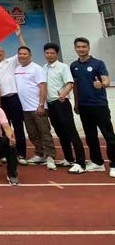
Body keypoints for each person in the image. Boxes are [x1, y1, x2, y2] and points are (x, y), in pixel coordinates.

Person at [71, 37, 115, 178]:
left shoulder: (98, 63)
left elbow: (106, 80)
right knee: (90, 137)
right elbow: (75, 86)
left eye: (84, 46)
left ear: (88, 48)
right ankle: (97, 162)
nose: (81, 49)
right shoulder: (73, 66)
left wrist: (102, 84)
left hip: (99, 106)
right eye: (78, 47)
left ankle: (114, 164)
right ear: (75, 48)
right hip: (84, 107)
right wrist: (76, 104)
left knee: (109, 136)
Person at [44, 42, 86, 174]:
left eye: (52, 53)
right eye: (47, 53)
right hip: (50, 104)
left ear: (57, 54)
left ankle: (81, 163)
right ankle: (69, 158)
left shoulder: (63, 67)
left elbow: (70, 83)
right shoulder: (43, 67)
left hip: (61, 103)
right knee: (61, 133)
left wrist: (63, 94)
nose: (49, 55)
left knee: (71, 132)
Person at [0, 27, 28, 165]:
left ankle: (21, 154)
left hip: (13, 98)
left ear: (4, 53)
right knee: (4, 128)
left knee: (18, 126)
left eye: (0, 52)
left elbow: (24, 49)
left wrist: (19, 36)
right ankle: (5, 153)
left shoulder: (11, 61)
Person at [14, 46, 57, 170]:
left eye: (25, 54)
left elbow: (43, 86)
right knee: (32, 134)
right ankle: (40, 154)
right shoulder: (17, 69)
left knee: (45, 133)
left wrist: (41, 105)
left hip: (37, 107)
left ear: (30, 56)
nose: (22, 56)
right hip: (25, 109)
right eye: (20, 54)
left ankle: (50, 157)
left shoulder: (36, 68)